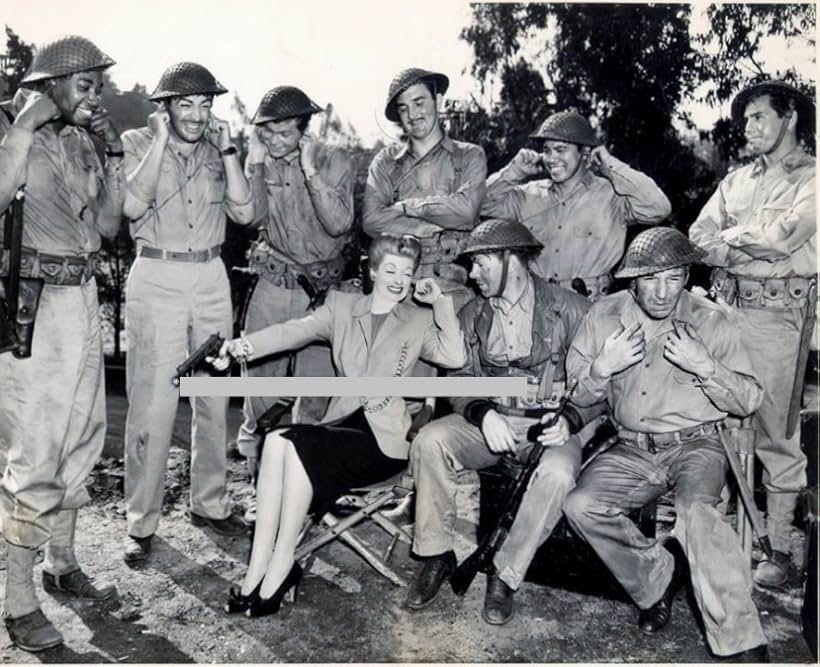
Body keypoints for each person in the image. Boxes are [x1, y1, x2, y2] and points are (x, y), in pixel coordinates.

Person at [208, 234, 467, 617]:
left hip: (384, 443)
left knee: (293, 445)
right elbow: (292, 331)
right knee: (277, 439)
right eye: (390, 269)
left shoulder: (417, 318)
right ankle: (257, 573)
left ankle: (278, 570)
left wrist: (441, 302)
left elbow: (455, 356)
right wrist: (242, 347)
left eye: (407, 272)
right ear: (374, 270)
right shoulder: (341, 307)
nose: (398, 279)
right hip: (342, 423)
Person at [562, 227, 769, 662]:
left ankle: (741, 642)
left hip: (697, 446)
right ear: (632, 280)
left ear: (686, 275)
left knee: (698, 515)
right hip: (632, 447)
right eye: (650, 279)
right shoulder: (603, 316)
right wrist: (601, 369)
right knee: (581, 504)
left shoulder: (711, 319)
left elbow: (749, 400)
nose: (661, 292)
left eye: (673, 278)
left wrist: (706, 367)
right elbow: (575, 398)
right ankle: (658, 580)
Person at [406, 219, 596, 625]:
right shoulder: (473, 313)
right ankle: (435, 554)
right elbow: (457, 378)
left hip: (551, 427)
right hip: (491, 424)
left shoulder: (571, 309)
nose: (472, 275)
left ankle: (505, 572)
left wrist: (572, 418)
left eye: (481, 264)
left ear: (513, 260)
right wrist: (482, 411)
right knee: (429, 441)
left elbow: (603, 384)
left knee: (559, 474)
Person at [0, 35, 124, 652]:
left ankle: (63, 562)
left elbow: (107, 225)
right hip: (34, 306)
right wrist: (21, 128)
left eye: (98, 85)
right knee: (35, 450)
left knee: (82, 433)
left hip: (82, 300)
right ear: (50, 86)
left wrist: (113, 152)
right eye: (85, 84)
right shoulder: (12, 133)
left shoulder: (82, 142)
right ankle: (18, 604)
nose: (95, 95)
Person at [120, 62, 255, 564]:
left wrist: (228, 151)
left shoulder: (221, 150)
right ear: (166, 107)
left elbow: (244, 213)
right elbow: (133, 207)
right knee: (154, 402)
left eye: (205, 103)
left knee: (214, 395)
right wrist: (158, 140)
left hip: (211, 273)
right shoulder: (139, 141)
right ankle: (141, 520)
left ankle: (211, 502)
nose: (197, 114)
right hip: (158, 274)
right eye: (186, 103)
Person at [689, 79, 816, 589]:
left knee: (773, 430)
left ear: (789, 119)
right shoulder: (736, 181)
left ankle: (781, 548)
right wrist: (742, 245)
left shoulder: (813, 178)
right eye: (745, 120)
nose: (749, 128)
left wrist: (736, 241)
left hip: (776, 318)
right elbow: (698, 238)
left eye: (760, 117)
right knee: (718, 414)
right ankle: (719, 534)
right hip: (726, 308)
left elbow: (785, 239)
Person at [235, 86, 356, 484]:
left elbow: (339, 224)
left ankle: (307, 488)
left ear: (304, 131)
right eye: (265, 132)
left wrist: (309, 171)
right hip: (273, 282)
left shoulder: (334, 159)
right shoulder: (262, 162)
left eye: (283, 133)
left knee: (316, 392)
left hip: (323, 292)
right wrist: (253, 166)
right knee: (259, 387)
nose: (272, 141)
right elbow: (250, 220)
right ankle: (258, 485)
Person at [481, 111, 671, 300]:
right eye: (546, 150)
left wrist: (611, 165)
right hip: (536, 304)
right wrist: (513, 172)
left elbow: (658, 208)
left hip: (590, 305)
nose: (551, 158)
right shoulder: (528, 195)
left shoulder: (611, 196)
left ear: (584, 153)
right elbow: (480, 205)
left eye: (560, 149)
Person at [363, 67, 487, 312]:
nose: (412, 115)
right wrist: (426, 227)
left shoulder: (469, 156)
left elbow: (466, 212)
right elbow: (371, 221)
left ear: (438, 101)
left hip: (451, 289)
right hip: (396, 289)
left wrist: (406, 208)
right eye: (403, 108)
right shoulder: (386, 162)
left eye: (419, 103)